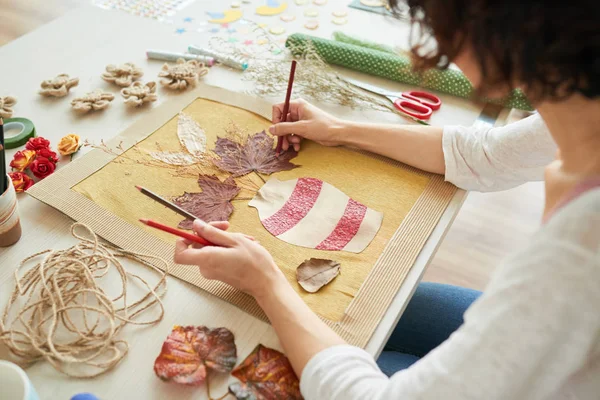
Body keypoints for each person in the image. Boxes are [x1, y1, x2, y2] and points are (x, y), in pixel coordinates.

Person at [174, 0, 600, 398]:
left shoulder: (579, 253)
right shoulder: (581, 107)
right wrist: (340, 132)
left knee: (353, 345)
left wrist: (265, 282)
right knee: (389, 311)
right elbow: (485, 156)